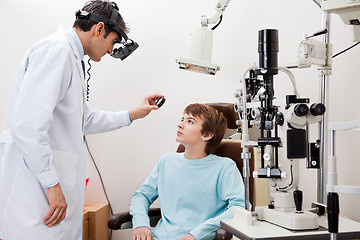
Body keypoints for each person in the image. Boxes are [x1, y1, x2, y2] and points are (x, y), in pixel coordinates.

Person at [0, 1, 163, 239]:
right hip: (35, 199)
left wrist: (134, 114)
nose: (111, 51)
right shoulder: (57, 51)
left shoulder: (71, 56)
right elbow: (27, 126)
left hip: (50, 197)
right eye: (113, 42)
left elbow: (82, 118)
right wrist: (52, 184)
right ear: (99, 29)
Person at [130, 103, 246, 240]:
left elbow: (239, 208)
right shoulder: (167, 161)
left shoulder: (224, 167)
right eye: (182, 119)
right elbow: (142, 196)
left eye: (190, 121)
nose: (180, 125)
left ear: (207, 134)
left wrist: (196, 234)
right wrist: (141, 223)